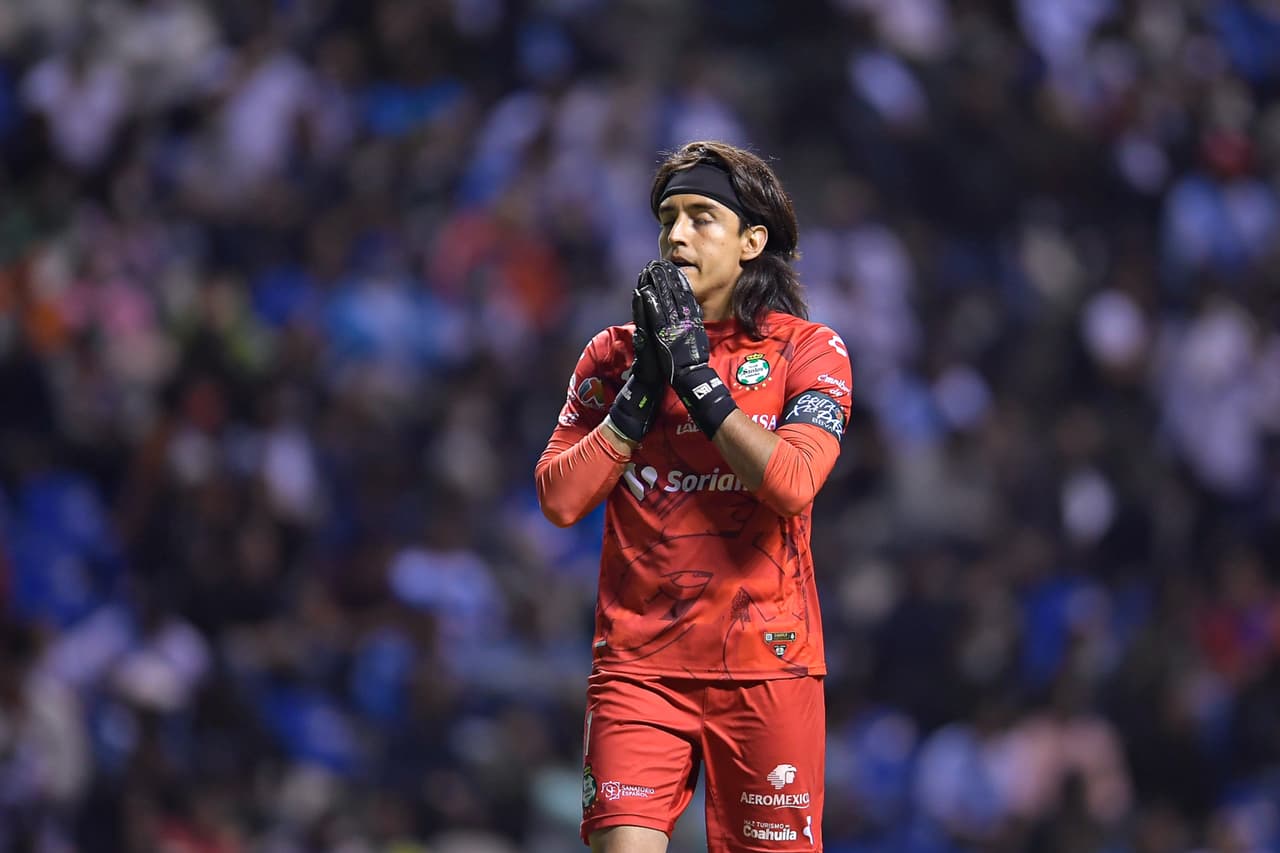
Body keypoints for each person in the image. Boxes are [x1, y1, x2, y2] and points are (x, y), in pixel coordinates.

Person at [536, 140, 852, 853]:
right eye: (668, 218)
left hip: (768, 668)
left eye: (701, 217)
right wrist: (640, 395)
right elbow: (558, 497)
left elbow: (792, 482)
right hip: (639, 667)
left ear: (751, 241)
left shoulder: (810, 351)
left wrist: (698, 380)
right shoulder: (614, 356)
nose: (676, 235)